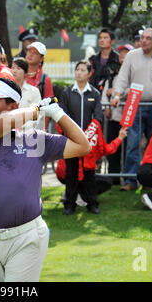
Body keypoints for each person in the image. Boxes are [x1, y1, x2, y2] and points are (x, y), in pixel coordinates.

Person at [0, 77, 90, 282]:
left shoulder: (36, 140)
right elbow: (3, 123)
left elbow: (83, 145)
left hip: (26, 237)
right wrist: (35, 110)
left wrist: (57, 113)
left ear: (12, 106)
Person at [111, 27, 152, 191]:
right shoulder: (132, 56)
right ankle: (131, 180)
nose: (143, 40)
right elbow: (123, 77)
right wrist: (117, 95)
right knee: (132, 143)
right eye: (142, 38)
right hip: (134, 104)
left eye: (147, 38)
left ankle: (151, 180)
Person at [58, 60, 103, 214]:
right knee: (71, 171)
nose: (79, 72)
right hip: (71, 139)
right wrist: (74, 134)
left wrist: (87, 135)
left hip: (89, 140)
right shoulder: (67, 92)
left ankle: (92, 203)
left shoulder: (95, 93)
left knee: (90, 173)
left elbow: (98, 117)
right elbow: (63, 115)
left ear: (89, 74)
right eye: (77, 69)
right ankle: (70, 204)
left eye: (83, 70)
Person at [102, 43, 134, 184]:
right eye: (121, 52)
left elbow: (135, 90)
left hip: (129, 116)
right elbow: (105, 91)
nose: (122, 55)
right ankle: (113, 178)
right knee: (112, 147)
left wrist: (116, 92)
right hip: (113, 115)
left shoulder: (133, 71)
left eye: (126, 53)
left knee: (128, 148)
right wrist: (105, 107)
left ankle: (128, 178)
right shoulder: (112, 71)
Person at [11, 57, 42, 131]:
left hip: (27, 133)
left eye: (18, 68)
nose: (14, 71)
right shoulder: (6, 90)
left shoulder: (34, 91)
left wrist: (21, 127)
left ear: (25, 73)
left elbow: (38, 114)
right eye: (13, 68)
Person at [88, 28, 120, 93]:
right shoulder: (93, 59)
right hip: (94, 93)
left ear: (112, 41)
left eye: (105, 38)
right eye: (100, 38)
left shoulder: (118, 59)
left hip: (110, 94)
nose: (102, 40)